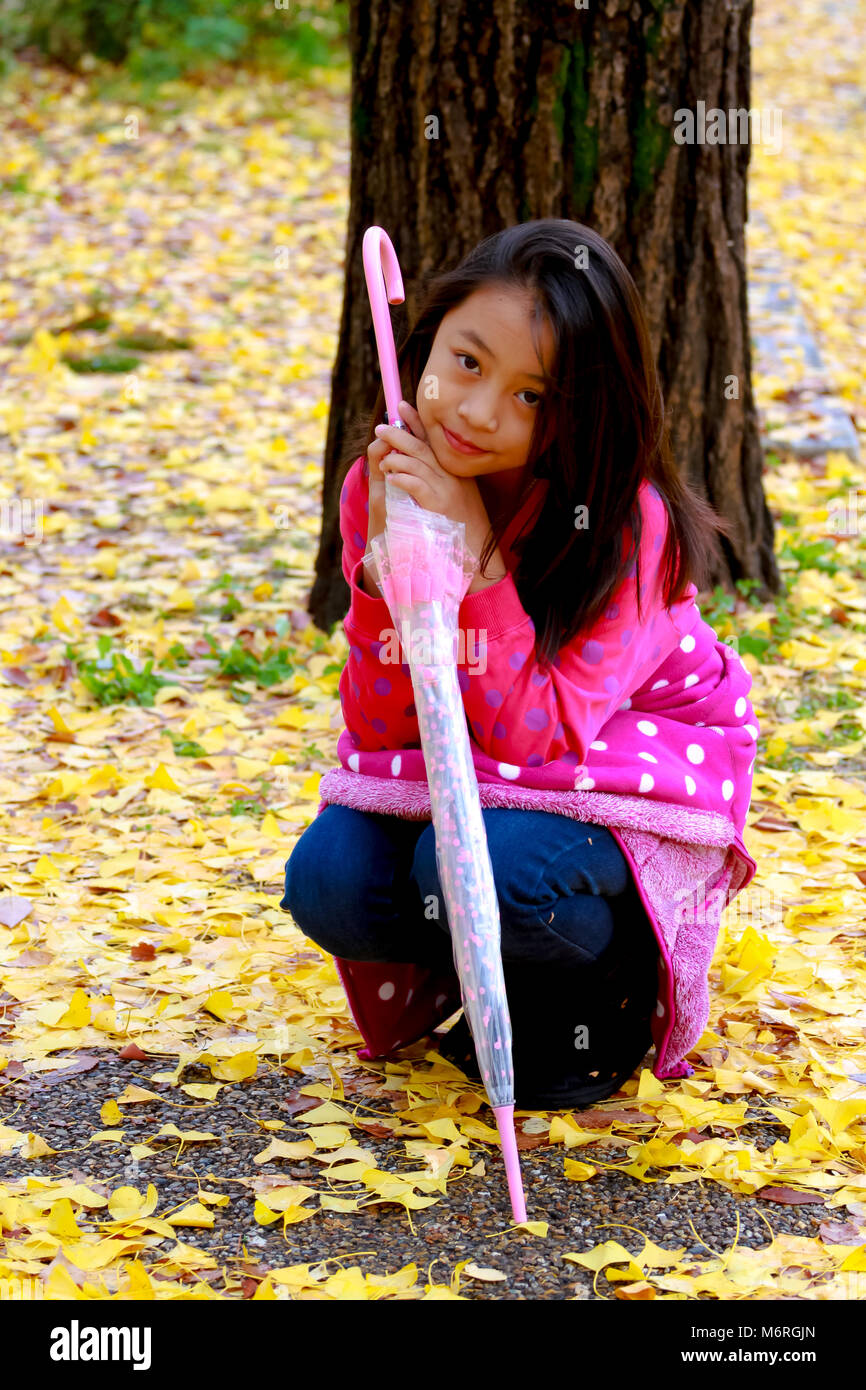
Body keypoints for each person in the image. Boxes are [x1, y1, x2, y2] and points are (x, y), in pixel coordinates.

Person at [280, 218, 759, 1110]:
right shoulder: (382, 483)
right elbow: (384, 727)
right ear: (426, 337)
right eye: (467, 361)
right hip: (485, 773)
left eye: (532, 396)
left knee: (500, 870)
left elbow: (533, 741)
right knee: (331, 878)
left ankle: (603, 997)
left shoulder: (625, 525)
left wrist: (479, 563)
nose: (476, 410)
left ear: (583, 410)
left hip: (623, 775)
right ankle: (480, 976)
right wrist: (387, 578)